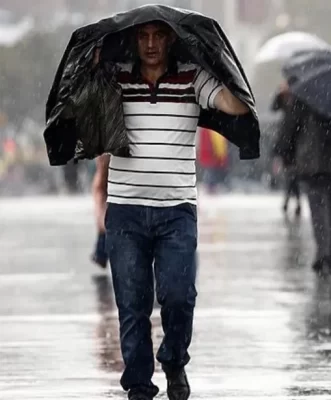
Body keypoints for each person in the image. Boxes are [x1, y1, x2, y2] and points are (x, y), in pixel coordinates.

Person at [92, 21, 250, 400]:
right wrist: (94, 67)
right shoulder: (116, 79)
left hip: (176, 211)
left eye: (158, 35)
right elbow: (85, 107)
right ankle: (139, 388)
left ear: (171, 39)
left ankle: (175, 360)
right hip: (126, 211)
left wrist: (224, 66)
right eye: (143, 36)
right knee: (132, 306)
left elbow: (238, 106)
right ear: (134, 40)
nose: (150, 44)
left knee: (179, 295)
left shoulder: (192, 78)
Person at [275, 92, 331, 276]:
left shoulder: (305, 91)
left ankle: (323, 250)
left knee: (318, 206)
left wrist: (285, 153)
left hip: (313, 159)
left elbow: (291, 125)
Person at [272, 81, 302, 217]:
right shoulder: (284, 99)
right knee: (290, 173)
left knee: (293, 174)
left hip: (297, 142)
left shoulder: (300, 99)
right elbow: (274, 107)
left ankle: (290, 200)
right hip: (285, 143)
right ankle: (294, 201)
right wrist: (279, 93)